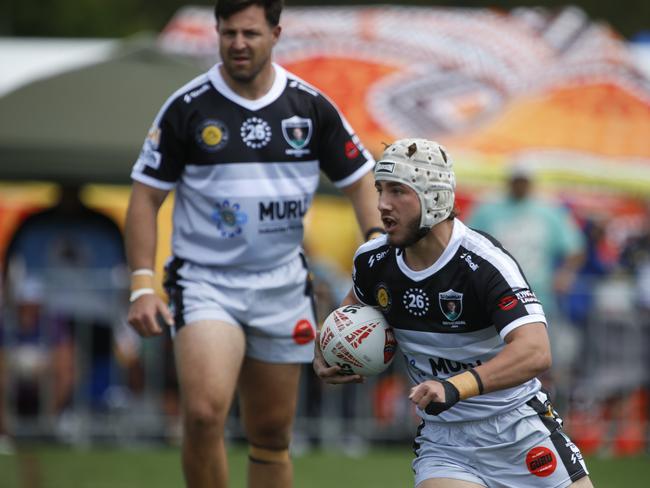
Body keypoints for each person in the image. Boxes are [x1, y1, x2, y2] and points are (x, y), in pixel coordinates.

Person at [125, 1, 381, 487]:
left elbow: (361, 177)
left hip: (282, 285)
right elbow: (144, 198)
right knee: (203, 414)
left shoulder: (309, 105)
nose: (238, 44)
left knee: (269, 434)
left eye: (250, 33)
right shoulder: (188, 106)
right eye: (228, 33)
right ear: (217, 34)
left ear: (276, 33)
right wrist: (142, 283)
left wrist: (373, 248)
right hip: (206, 282)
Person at [313, 139, 593, 487]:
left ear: (434, 198)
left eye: (398, 191)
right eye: (380, 190)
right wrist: (325, 351)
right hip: (446, 442)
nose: (382, 205)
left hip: (519, 430)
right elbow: (344, 319)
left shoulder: (484, 263)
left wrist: (454, 387)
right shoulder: (372, 261)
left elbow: (535, 351)